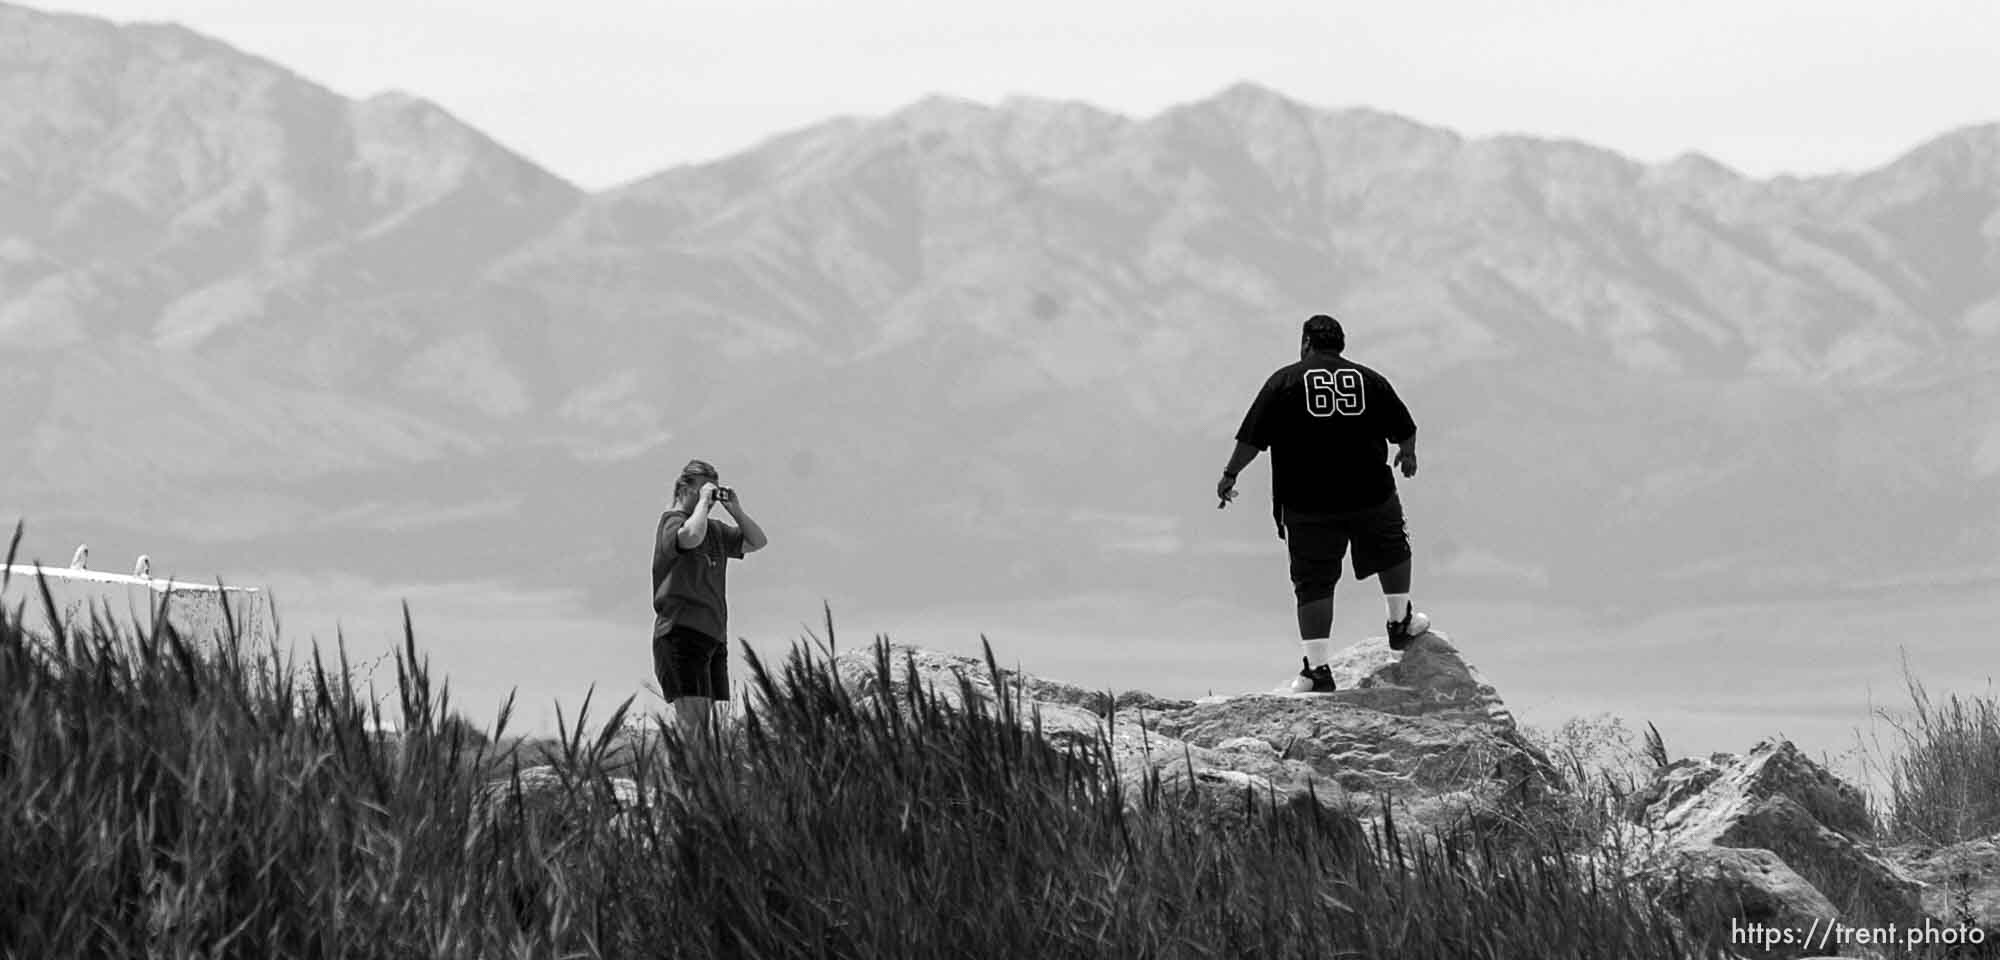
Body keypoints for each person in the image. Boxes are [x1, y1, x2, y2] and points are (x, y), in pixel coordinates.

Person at [1216, 314, 1432, 693]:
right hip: (1370, 494)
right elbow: (1405, 427)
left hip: (1307, 503)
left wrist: (1230, 475)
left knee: (1313, 583)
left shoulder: (1283, 381)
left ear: (1305, 344)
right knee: (1393, 551)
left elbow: (1252, 439)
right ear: (1341, 345)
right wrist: (1408, 455)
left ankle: (1317, 670)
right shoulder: (1369, 379)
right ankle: (1399, 625)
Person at [652, 458, 768, 739]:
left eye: (712, 492)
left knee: (708, 730)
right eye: (702, 489)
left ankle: (700, 781)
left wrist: (735, 510)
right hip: (681, 631)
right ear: (684, 487)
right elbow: (689, 538)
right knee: (692, 727)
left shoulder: (714, 530)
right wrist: (703, 502)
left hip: (713, 636)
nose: (710, 498)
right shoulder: (672, 521)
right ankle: (685, 782)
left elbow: (757, 542)